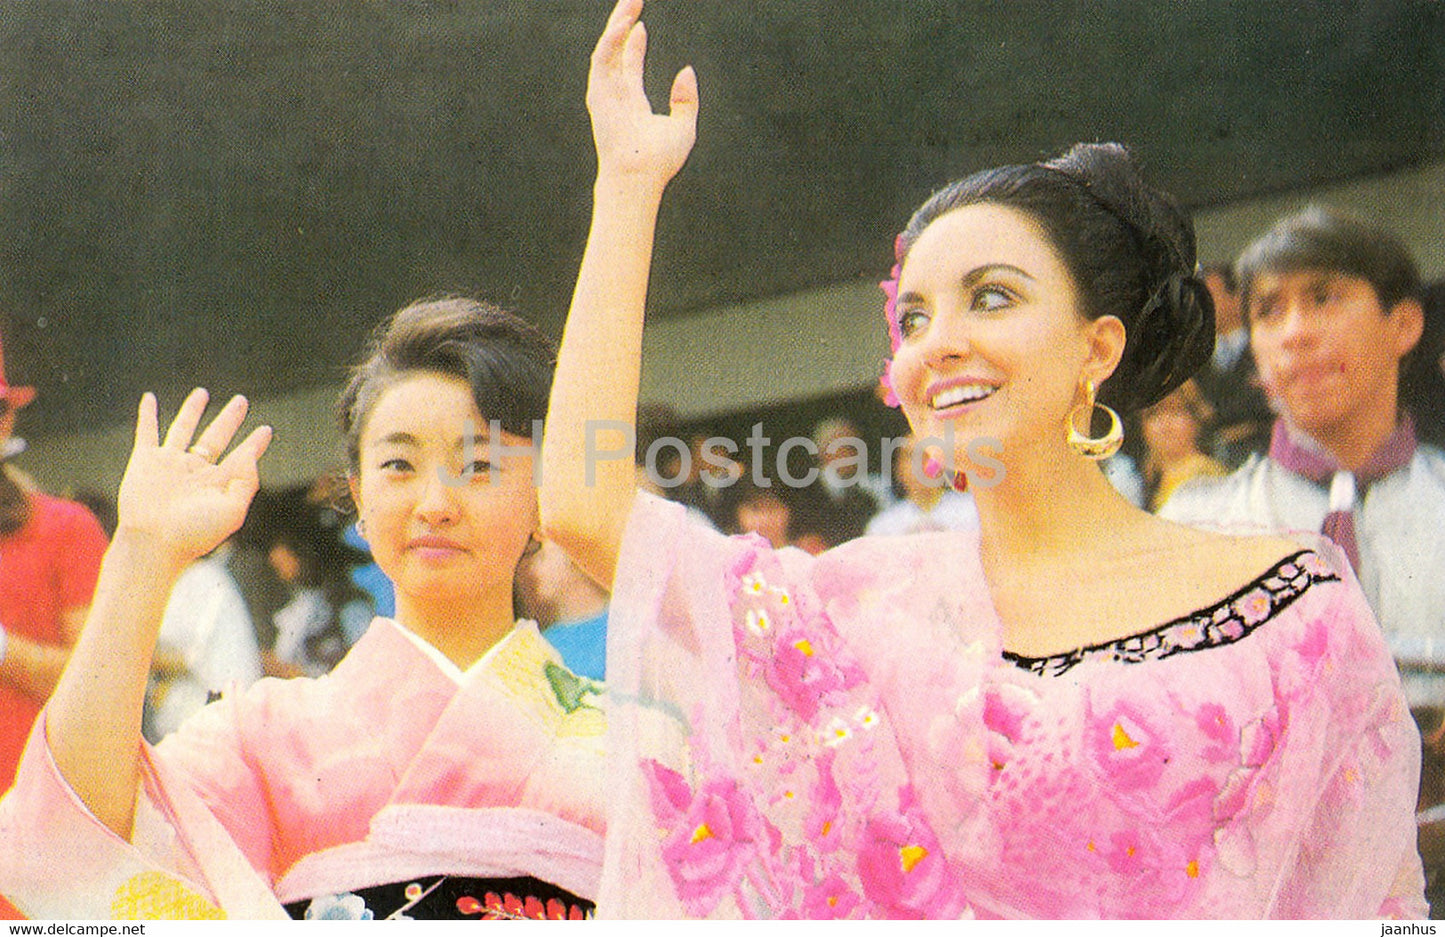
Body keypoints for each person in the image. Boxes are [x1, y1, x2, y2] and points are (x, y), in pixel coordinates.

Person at [539, 0, 1425, 918]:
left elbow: (1370, 899)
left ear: (1097, 348)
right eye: (912, 318)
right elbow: (583, 508)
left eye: (991, 298)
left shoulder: (1287, 608)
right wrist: (628, 189)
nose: (936, 345)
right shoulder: (857, 607)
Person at [0, 298, 606, 920]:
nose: (434, 502)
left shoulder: (634, 734)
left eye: (479, 466)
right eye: (399, 465)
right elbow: (69, 832)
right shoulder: (265, 734)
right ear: (360, 497)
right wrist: (141, 555)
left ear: (541, 497)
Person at [0, 336, 109, 797]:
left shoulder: (66, 528)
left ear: (6, 422)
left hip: (41, 818)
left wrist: (4, 650)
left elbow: (103, 687)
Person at [1139, 379, 1228, 512]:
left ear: (1195, 420)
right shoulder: (1150, 474)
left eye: (1175, 413)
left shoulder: (1206, 474)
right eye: (1154, 415)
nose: (1165, 425)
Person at [864, 434, 979, 536]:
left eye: (926, 456)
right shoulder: (882, 527)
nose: (919, 465)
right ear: (899, 468)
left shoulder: (973, 512)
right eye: (911, 457)